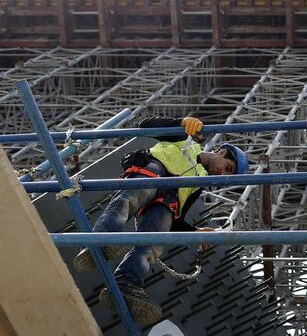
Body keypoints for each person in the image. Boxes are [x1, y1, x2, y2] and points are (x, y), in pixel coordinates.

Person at [72, 116, 249, 327]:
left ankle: (126, 283)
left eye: (227, 175)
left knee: (154, 240)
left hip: (167, 200)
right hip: (153, 174)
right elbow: (145, 127)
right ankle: (97, 241)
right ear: (222, 152)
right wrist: (180, 123)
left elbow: (177, 221)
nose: (222, 173)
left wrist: (194, 233)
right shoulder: (185, 141)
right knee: (129, 198)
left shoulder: (199, 183)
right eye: (228, 167)